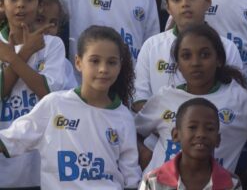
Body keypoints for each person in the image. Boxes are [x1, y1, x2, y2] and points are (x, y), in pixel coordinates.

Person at [0, 25, 141, 188]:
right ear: (78, 62)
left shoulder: (124, 117)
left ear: (120, 66)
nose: (103, 69)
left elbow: (131, 178)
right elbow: (11, 139)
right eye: (95, 61)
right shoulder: (54, 104)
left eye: (111, 62)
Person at [135, 24, 247, 174]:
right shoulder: (165, 97)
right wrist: (145, 155)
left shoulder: (240, 100)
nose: (195, 63)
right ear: (178, 65)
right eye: (186, 56)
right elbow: (133, 131)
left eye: (204, 55)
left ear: (219, 60)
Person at [133, 0, 242, 109]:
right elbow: (140, 98)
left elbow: (235, 100)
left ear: (208, 0)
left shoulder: (227, 48)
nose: (185, 3)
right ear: (168, 8)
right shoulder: (151, 46)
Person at [0, 0, 69, 189]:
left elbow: (47, 93)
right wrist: (23, 53)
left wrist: (14, 56)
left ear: (39, 5)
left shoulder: (53, 45)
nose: (21, 4)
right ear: (2, 4)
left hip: (41, 164)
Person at [139, 98, 242, 190]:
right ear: (175, 135)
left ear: (218, 140)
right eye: (192, 127)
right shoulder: (153, 181)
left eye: (210, 129)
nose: (201, 134)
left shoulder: (231, 183)